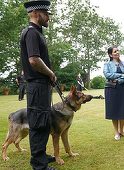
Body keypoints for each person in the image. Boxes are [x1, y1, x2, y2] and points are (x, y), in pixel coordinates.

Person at [20, 1, 57, 170]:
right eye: (46, 14)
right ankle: (38, 163)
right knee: (37, 122)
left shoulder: (37, 33)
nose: (48, 17)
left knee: (43, 121)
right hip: (37, 85)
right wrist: (50, 73)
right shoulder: (31, 33)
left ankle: (41, 154)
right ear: (35, 13)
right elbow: (34, 60)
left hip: (41, 86)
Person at [103, 46, 124, 140]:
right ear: (110, 54)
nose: (117, 52)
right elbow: (107, 74)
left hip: (122, 88)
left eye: (118, 50)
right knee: (114, 110)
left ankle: (121, 130)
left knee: (123, 109)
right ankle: (116, 132)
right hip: (111, 90)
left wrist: (118, 79)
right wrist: (122, 75)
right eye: (115, 51)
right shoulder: (107, 64)